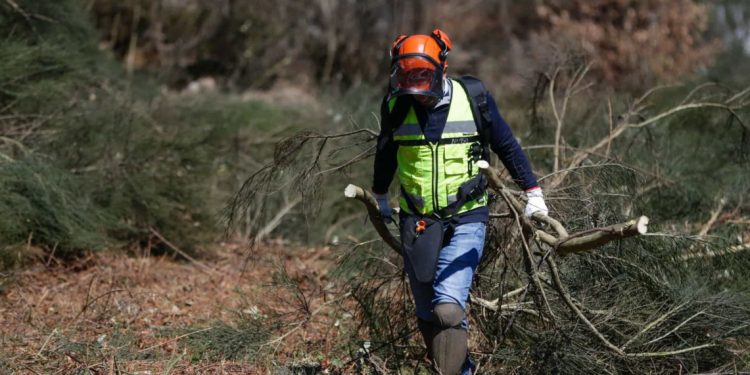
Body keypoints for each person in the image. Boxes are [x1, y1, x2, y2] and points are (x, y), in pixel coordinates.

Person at [371, 29, 548, 375]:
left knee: (448, 309)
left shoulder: (475, 97)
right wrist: (380, 196)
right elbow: (385, 153)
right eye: (408, 79)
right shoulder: (395, 105)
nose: (417, 92)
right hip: (418, 218)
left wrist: (533, 193)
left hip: (468, 215)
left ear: (442, 69)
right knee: (426, 312)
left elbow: (507, 145)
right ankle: (460, 367)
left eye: (423, 79)